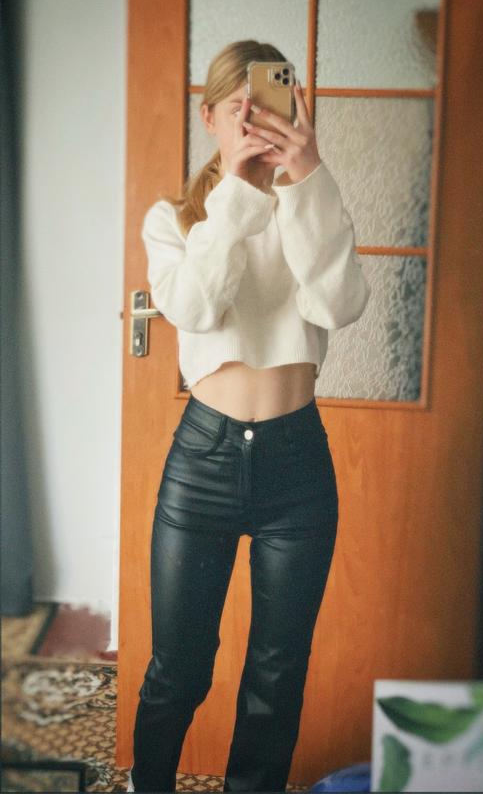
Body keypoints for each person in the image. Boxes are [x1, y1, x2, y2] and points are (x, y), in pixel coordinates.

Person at [128, 39, 370, 793]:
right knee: (178, 668)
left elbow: (339, 306)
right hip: (201, 461)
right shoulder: (174, 219)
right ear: (209, 118)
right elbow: (195, 308)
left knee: (276, 674)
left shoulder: (310, 204)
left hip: (296, 465)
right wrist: (238, 191)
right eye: (239, 108)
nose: (254, 121)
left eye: (268, 105)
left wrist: (308, 179)